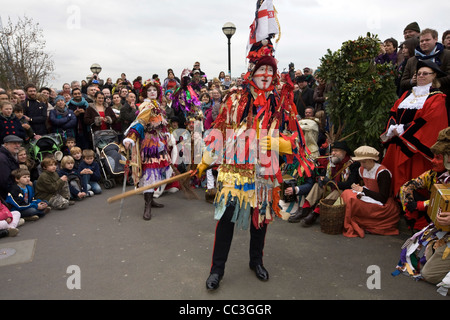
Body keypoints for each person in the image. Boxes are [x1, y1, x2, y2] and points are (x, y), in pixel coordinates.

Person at [197, 36, 314, 290]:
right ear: (252, 71)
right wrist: (206, 160)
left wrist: (280, 143)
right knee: (226, 219)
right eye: (262, 68)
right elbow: (220, 130)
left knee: (260, 219)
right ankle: (217, 270)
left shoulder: (281, 102)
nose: (266, 74)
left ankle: (256, 261)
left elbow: (295, 137)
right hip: (234, 170)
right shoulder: (235, 97)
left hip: (265, 169)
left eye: (271, 70)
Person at [381, 60, 449, 196]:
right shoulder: (406, 94)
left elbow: (431, 120)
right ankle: (396, 203)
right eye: (419, 74)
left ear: (433, 76)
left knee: (414, 180)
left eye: (425, 73)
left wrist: (404, 129)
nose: (421, 76)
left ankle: (413, 208)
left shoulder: (437, 97)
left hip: (416, 148)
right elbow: (393, 111)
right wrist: (392, 127)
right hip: (397, 144)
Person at [394, 127, 450, 287]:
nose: (433, 161)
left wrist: (421, 205)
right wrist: (412, 205)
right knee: (419, 265)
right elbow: (406, 187)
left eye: (438, 157)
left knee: (429, 275)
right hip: (442, 231)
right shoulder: (433, 174)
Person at [123, 80, 174, 220]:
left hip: (159, 142)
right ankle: (147, 206)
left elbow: (161, 123)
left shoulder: (157, 105)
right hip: (150, 144)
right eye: (150, 90)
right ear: (145, 93)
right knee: (150, 173)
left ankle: (151, 200)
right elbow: (140, 123)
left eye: (155, 90)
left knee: (157, 172)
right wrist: (131, 138)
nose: (153, 92)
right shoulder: (147, 106)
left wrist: (166, 133)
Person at [289, 140, 360, 225]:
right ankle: (305, 209)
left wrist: (330, 182)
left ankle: (315, 213)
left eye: (336, 151)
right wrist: (320, 179)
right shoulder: (331, 162)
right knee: (316, 186)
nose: (333, 153)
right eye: (332, 151)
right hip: (330, 187)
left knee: (338, 191)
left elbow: (350, 185)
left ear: (344, 152)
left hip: (342, 191)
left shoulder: (353, 164)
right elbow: (323, 174)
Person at [341, 146, 400, 237]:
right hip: (370, 196)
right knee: (346, 193)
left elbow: (383, 198)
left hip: (382, 204)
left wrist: (363, 190)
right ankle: (347, 220)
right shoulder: (362, 169)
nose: (362, 164)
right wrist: (358, 188)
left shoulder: (382, 173)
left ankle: (353, 220)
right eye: (360, 162)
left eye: (364, 161)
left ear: (372, 160)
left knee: (351, 200)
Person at [399, 28, 450, 121]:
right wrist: (412, 81)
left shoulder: (447, 55)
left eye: (427, 40)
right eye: (422, 41)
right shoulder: (412, 60)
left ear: (435, 39)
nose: (424, 43)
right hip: (417, 107)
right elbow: (403, 82)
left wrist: (433, 82)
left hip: (442, 104)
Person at [0, 135, 23, 200]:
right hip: (7, 195)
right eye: (14, 143)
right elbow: (4, 181)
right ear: (6, 145)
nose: (17, 145)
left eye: (19, 143)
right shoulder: (2, 159)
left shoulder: (11, 156)